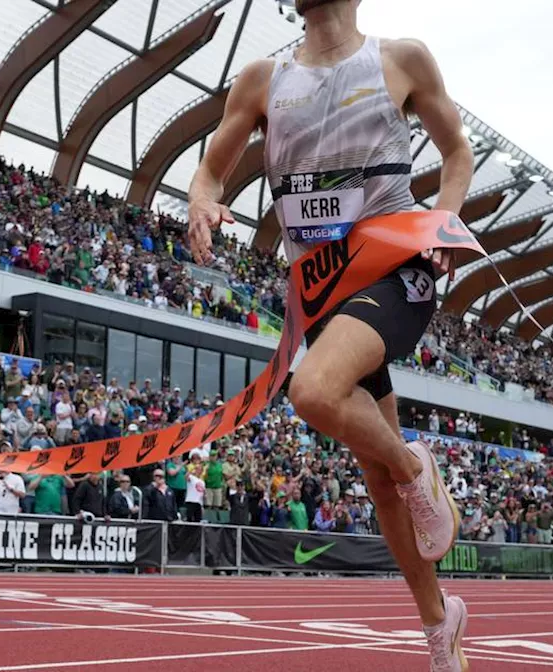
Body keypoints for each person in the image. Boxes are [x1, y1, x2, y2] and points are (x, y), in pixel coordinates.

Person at [186, 1, 475, 669]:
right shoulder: (262, 79)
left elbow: (457, 151)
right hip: (322, 288)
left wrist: (444, 220)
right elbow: (211, 169)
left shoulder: (401, 59)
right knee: (375, 478)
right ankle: (441, 625)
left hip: (398, 265)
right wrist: (202, 197)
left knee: (313, 391)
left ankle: (416, 468)